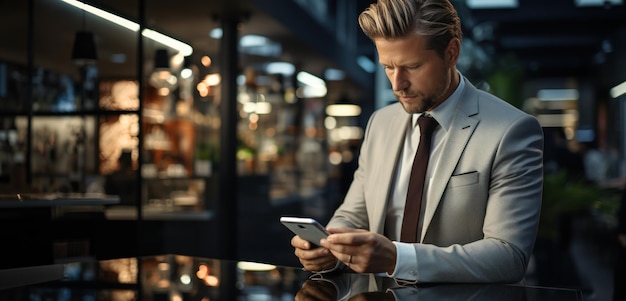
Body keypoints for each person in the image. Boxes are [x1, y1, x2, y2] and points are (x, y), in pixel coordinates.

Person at [289, 0, 544, 283]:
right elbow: (353, 214)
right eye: (388, 67)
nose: (397, 84)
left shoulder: (511, 130)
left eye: (412, 66)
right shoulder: (380, 124)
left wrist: (398, 258)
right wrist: (329, 246)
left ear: (451, 53)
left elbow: (509, 257)